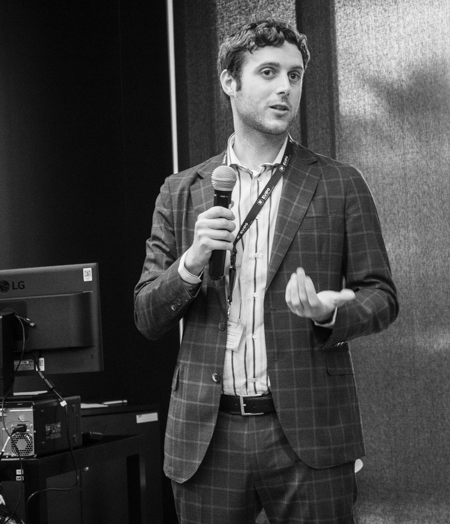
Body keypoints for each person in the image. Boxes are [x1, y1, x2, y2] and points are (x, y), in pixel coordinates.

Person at [134, 19, 398, 524]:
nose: (285, 88)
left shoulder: (340, 184)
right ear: (229, 81)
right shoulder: (181, 191)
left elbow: (382, 295)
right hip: (208, 436)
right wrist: (191, 263)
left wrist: (328, 313)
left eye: (294, 76)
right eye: (269, 72)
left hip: (308, 432)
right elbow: (147, 315)